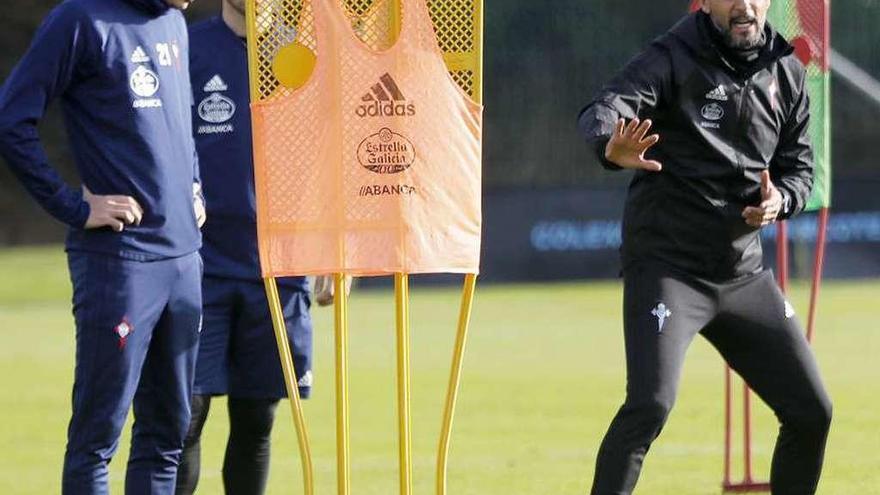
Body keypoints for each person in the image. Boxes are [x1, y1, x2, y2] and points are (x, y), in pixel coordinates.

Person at [578, 1, 832, 493]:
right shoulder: (673, 56)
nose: (744, 6)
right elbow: (604, 108)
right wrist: (610, 145)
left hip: (743, 274)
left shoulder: (787, 70)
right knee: (649, 405)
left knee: (811, 411)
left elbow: (800, 170)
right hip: (669, 270)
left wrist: (782, 200)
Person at [0, 0, 204, 493]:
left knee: (166, 436)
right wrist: (73, 205)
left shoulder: (175, 23)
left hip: (185, 260)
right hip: (121, 263)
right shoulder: (80, 20)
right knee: (97, 440)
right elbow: (11, 119)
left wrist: (193, 184)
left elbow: (180, 123)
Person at [175, 1, 314, 493]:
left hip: (281, 268)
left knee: (257, 422)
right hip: (197, 263)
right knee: (183, 418)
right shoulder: (187, 44)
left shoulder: (304, 51)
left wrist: (335, 252)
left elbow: (331, 152)